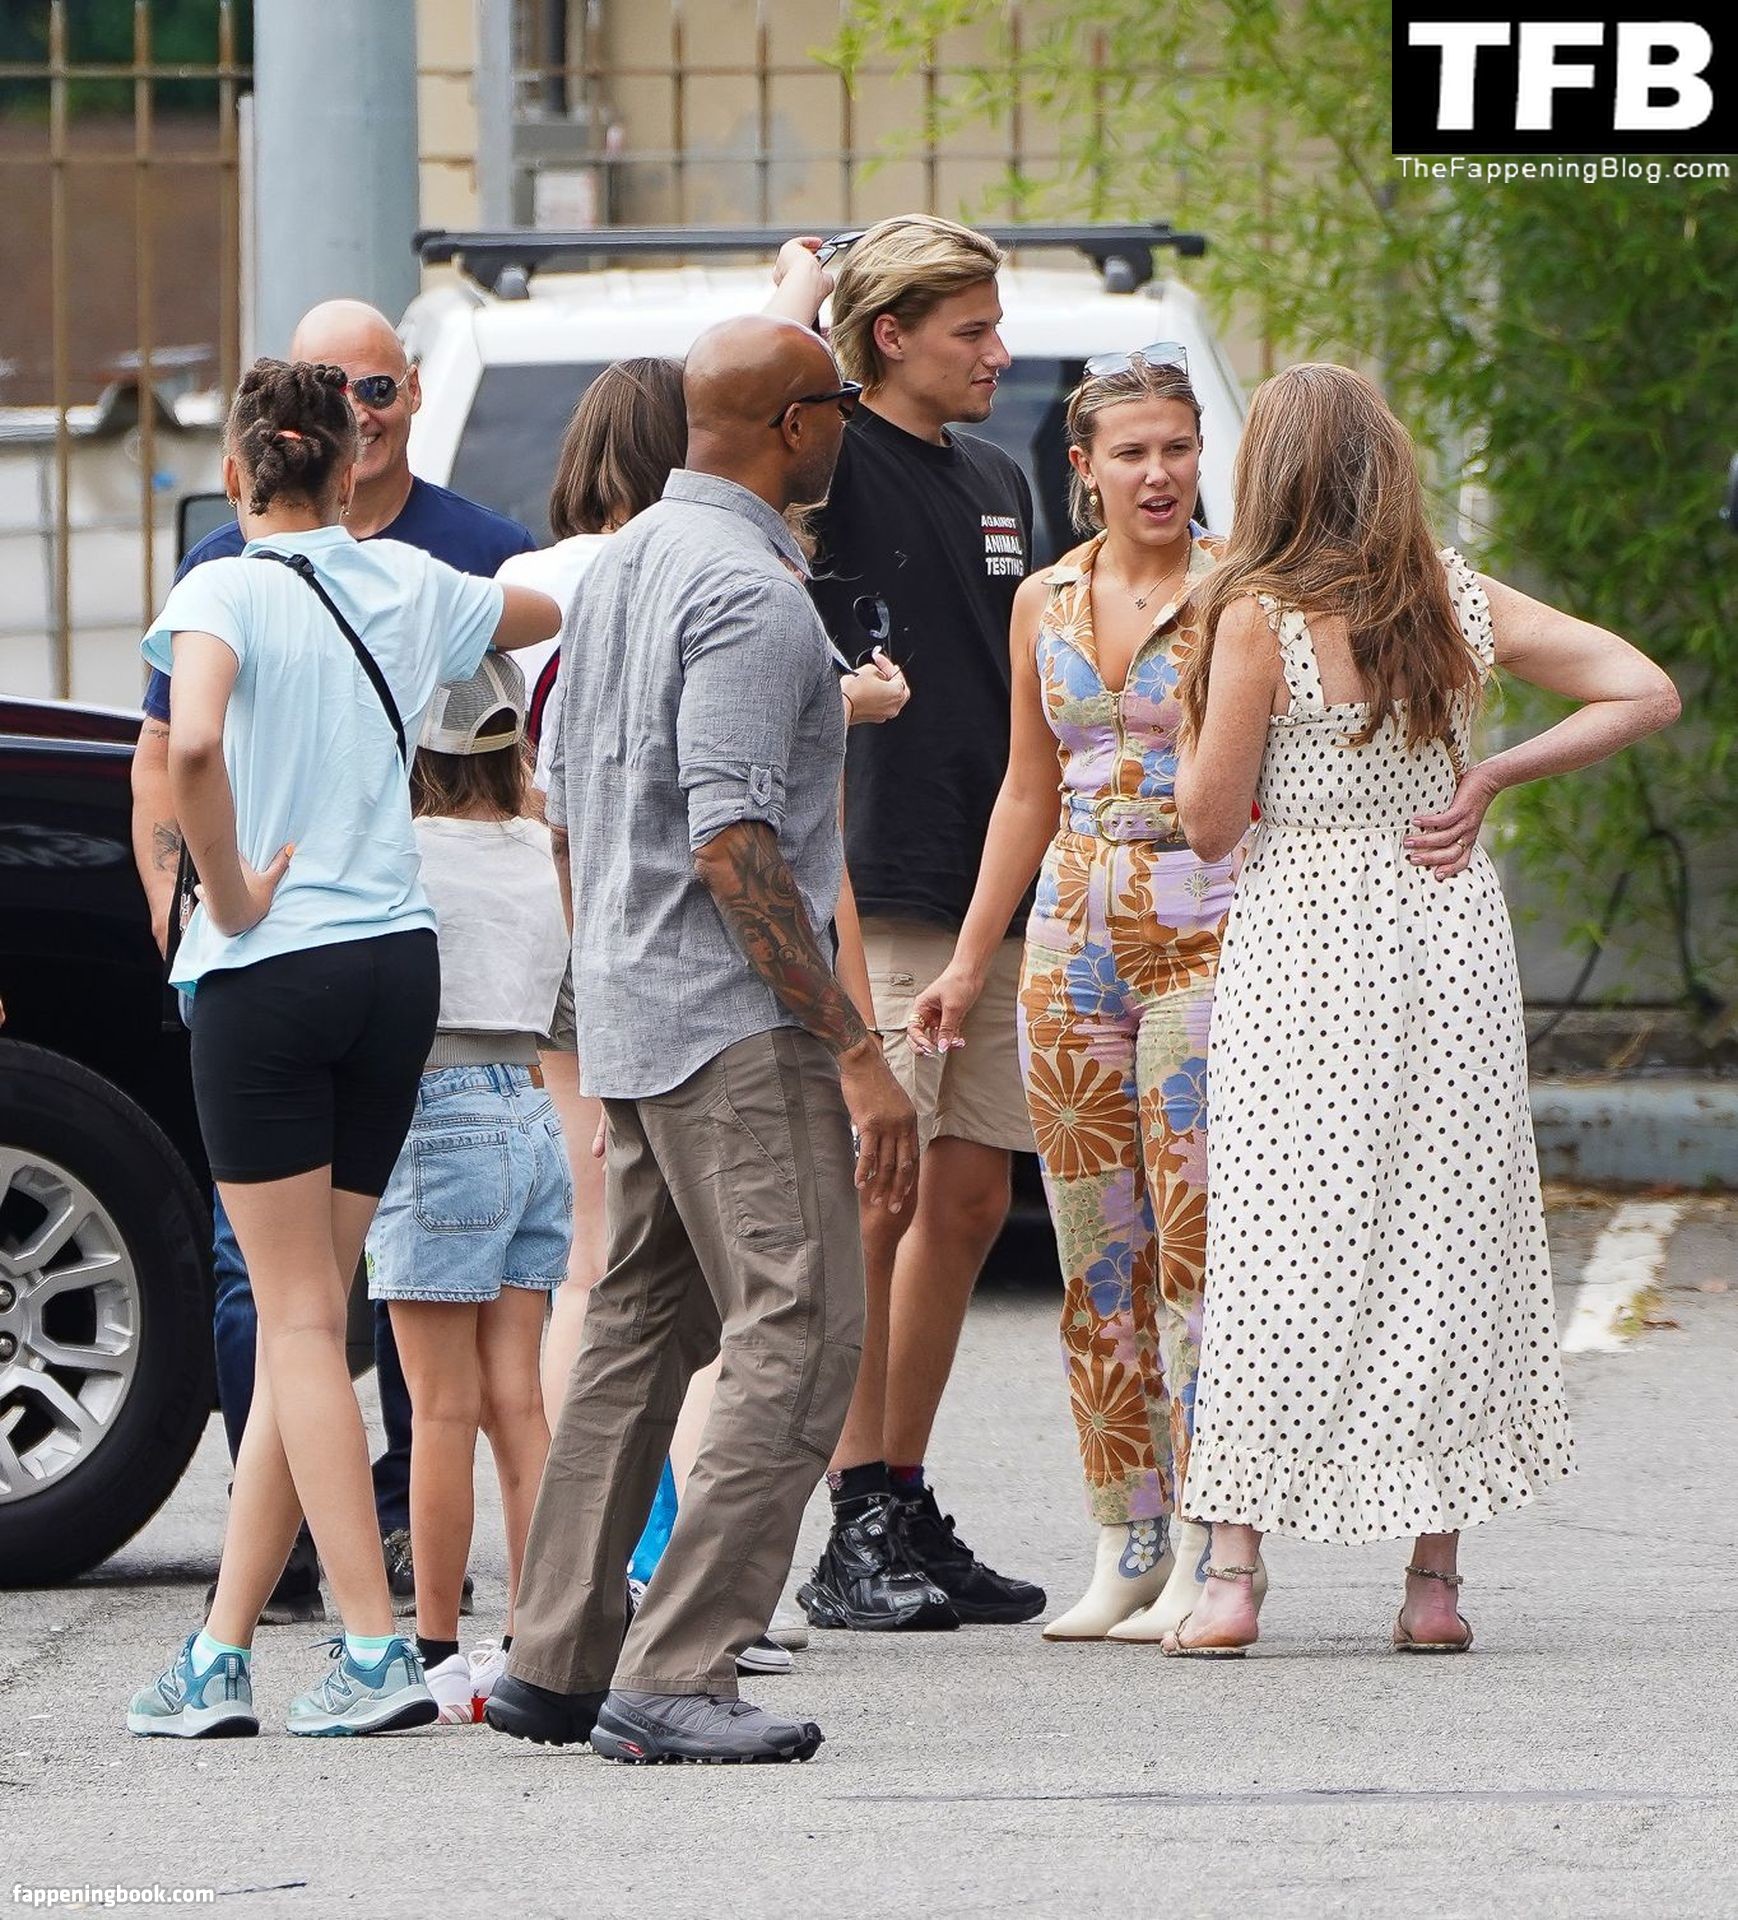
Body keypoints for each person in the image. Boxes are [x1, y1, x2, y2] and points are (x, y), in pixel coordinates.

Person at [1166, 362, 1679, 1656]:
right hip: (1440, 928)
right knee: (1442, 1235)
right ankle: (1431, 1584)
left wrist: (1190, 722)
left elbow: (1209, 824)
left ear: (1267, 473)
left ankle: (1233, 1574)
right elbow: (1643, 688)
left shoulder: (1250, 614)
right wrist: (1490, 775)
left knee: (1277, 1238)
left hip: (1305, 940)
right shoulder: (1449, 595)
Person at [484, 313, 918, 1765]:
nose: (849, 422)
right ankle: (678, 1669)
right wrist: (855, 1053)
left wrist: (612, 968)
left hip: (631, 1004)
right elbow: (733, 841)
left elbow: (559, 794)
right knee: (802, 1331)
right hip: (734, 1025)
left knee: (635, 1330)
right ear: (794, 425)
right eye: (838, 400)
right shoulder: (745, 591)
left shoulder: (619, 567)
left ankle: (552, 1659)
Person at [127, 359, 559, 1737]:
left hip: (271, 973)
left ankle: (373, 1649)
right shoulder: (410, 580)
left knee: (302, 1319)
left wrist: (227, 891)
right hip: (393, 968)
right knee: (311, 1314)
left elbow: (192, 746)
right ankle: (220, 1651)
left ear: (240, 476)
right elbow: (545, 604)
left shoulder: (222, 589)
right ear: (348, 463)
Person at [908, 349, 1265, 1641]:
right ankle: (1126, 1536)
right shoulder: (1044, 599)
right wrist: (967, 960)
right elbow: (1025, 785)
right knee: (1090, 1251)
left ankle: (1215, 1544)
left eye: (1176, 448)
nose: (1158, 473)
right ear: (1084, 468)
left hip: (1209, 932)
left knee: (1197, 1250)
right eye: (1132, 453)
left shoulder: (1242, 589)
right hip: (1068, 941)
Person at [768, 218, 1045, 1633]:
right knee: (870, 1201)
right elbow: (749, 392)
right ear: (887, 337)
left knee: (972, 1198)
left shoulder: (998, 477)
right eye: (969, 331)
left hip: (993, 884)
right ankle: (850, 1518)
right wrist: (797, 290)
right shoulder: (829, 456)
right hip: (875, 880)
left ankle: (905, 1491)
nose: (998, 354)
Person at [364, 653, 572, 1725]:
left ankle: (439, 1653)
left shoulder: (397, 852)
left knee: (436, 1409)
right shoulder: (544, 848)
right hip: (533, 1112)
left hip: (436, 1112)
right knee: (515, 1402)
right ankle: (536, 1643)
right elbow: (570, 1004)